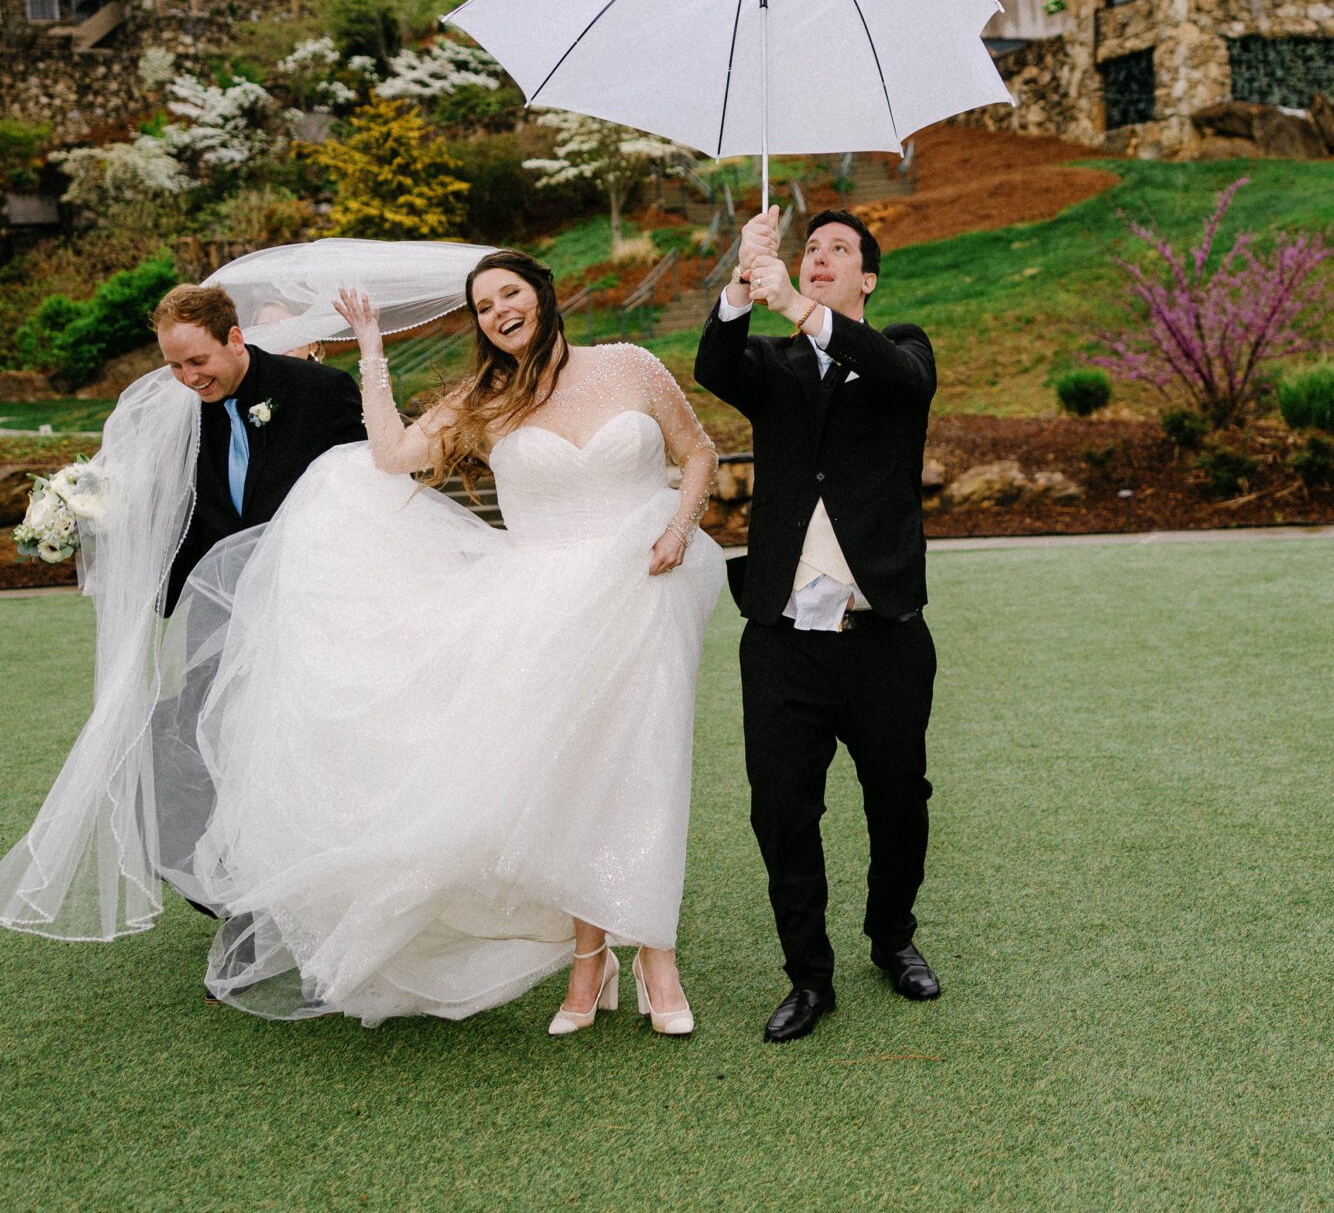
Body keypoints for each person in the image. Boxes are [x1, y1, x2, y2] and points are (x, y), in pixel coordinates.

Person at [172, 249, 724, 1034]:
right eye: (484, 306)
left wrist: (679, 528)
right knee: (570, 774)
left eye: (510, 293)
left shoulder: (631, 365)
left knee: (646, 766)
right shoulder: (486, 399)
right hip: (544, 607)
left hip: (648, 586)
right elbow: (393, 458)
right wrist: (371, 351)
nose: (500, 312)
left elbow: (697, 451)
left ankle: (656, 957)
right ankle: (590, 956)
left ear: (542, 294)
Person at [694, 206, 939, 1043]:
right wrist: (741, 281)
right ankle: (809, 977)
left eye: (840, 249)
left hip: (885, 638)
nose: (821, 256)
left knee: (899, 802)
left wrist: (799, 305)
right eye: (810, 248)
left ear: (866, 277)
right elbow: (713, 364)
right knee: (781, 810)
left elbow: (898, 379)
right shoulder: (772, 363)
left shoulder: (903, 349)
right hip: (782, 640)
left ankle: (892, 938)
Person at [153, 283, 364, 614]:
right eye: (176, 366)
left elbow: (362, 496)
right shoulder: (183, 414)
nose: (189, 378)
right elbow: (192, 517)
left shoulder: (322, 391)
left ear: (235, 340)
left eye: (197, 360)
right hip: (218, 615)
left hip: (306, 606)